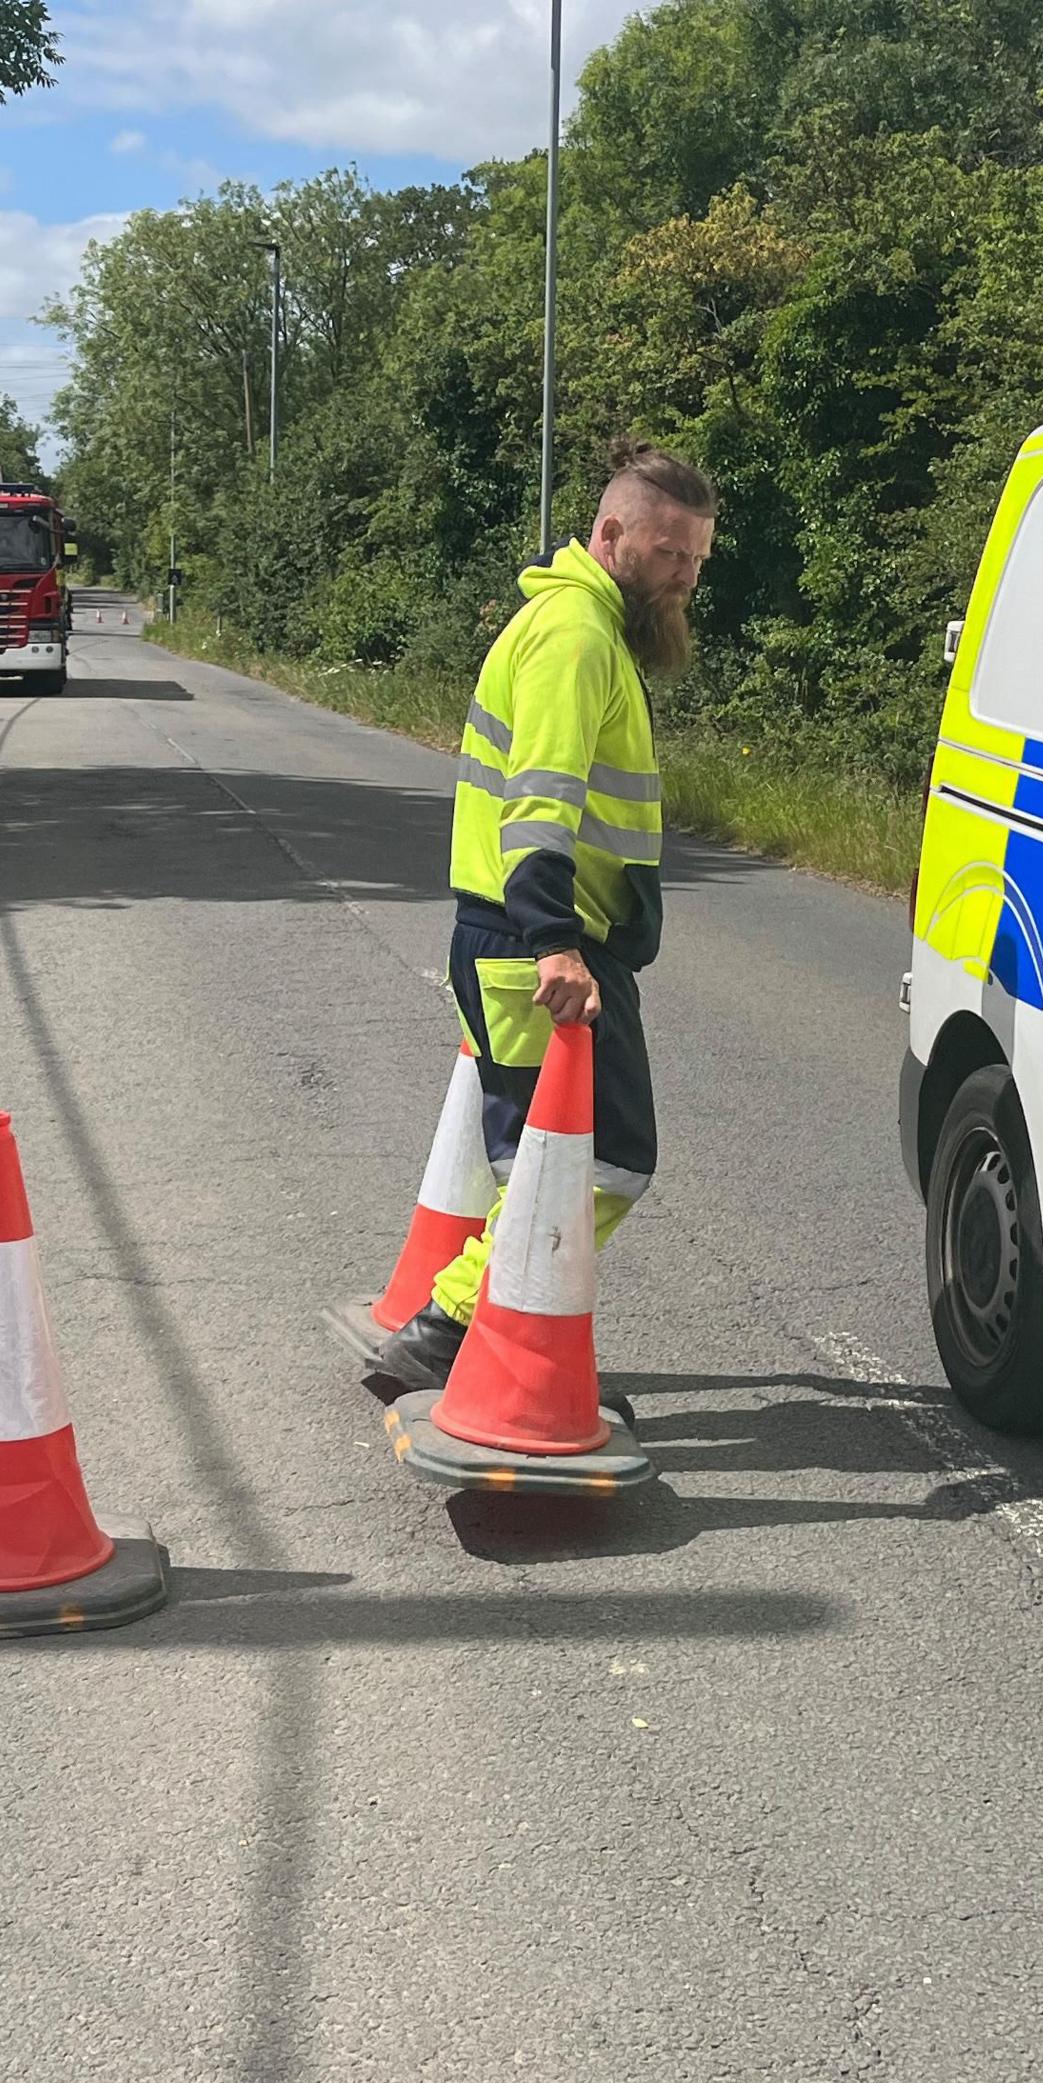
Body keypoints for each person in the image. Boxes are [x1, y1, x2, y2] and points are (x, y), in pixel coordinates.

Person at [363, 441, 718, 1395]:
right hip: (541, 947)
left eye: (695, 560)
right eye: (667, 553)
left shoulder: (578, 625)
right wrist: (557, 940)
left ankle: (480, 1335)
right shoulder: (576, 638)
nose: (683, 577)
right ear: (610, 535)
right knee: (604, 1162)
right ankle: (457, 1332)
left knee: (548, 1158)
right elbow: (542, 801)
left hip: (527, 942)